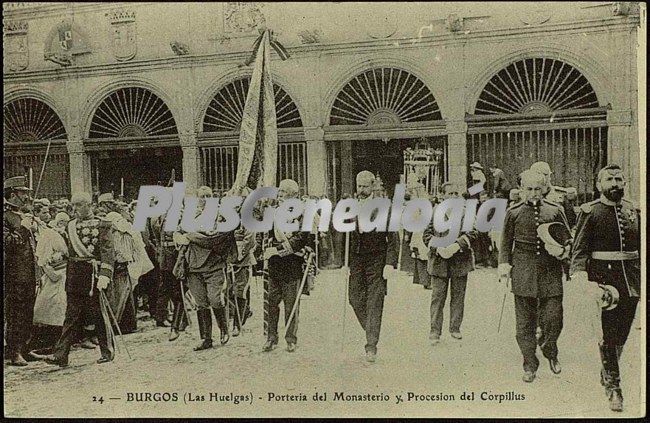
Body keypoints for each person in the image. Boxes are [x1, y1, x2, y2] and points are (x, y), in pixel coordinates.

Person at [570, 164, 640, 412]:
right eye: (609, 179)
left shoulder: (633, 210)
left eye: (618, 179)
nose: (614, 183)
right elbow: (579, 250)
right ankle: (614, 388)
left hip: (632, 281)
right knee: (609, 334)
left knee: (623, 333)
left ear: (624, 183)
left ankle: (608, 370)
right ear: (599, 184)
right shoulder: (591, 212)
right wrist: (580, 276)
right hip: (604, 281)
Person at [498, 170, 571, 383]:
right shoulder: (514, 212)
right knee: (524, 324)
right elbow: (505, 242)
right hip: (523, 270)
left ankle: (550, 350)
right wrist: (504, 266)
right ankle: (529, 364)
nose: (533, 193)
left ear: (544, 189)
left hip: (550, 271)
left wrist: (564, 254)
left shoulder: (555, 211)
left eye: (537, 189)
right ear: (521, 190)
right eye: (529, 189)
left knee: (554, 318)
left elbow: (567, 240)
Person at [44, 192, 116, 367]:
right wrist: (56, 257)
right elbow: (69, 251)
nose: (74, 209)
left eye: (78, 205)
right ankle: (60, 356)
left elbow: (108, 252)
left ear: (88, 205)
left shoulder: (103, 224)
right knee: (71, 316)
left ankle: (107, 351)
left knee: (99, 315)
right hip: (75, 275)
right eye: (73, 206)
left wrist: (105, 275)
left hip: (93, 275)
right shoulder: (70, 225)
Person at [174, 186, 237, 351]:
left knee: (216, 299)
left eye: (209, 196)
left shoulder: (221, 216)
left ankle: (223, 329)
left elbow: (215, 238)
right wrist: (180, 237)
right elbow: (177, 233)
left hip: (214, 265)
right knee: (201, 302)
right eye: (202, 196)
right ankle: (206, 338)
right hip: (193, 267)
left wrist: (189, 236)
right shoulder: (190, 215)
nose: (205, 199)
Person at [348, 171, 399, 362]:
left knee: (375, 301)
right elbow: (343, 234)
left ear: (373, 187)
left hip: (378, 259)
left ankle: (371, 345)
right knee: (354, 298)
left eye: (365, 186)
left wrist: (390, 263)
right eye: (358, 186)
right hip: (356, 259)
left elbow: (394, 238)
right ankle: (371, 327)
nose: (361, 190)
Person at [423, 182, 478, 344]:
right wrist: (438, 248)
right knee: (438, 297)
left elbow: (473, 233)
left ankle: (455, 327)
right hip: (439, 261)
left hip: (460, 261)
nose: (454, 197)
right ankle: (434, 331)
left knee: (458, 296)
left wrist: (456, 246)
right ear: (443, 196)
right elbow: (426, 235)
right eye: (451, 194)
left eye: (457, 194)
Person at [262, 179, 313, 353]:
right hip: (275, 265)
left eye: (284, 192)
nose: (280, 195)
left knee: (291, 304)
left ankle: (291, 339)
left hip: (292, 265)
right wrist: (268, 249)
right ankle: (271, 338)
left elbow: (301, 239)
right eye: (280, 192)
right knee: (272, 303)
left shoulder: (304, 214)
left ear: (293, 195)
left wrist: (276, 250)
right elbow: (268, 236)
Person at [3, 176, 38, 366]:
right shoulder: (5, 217)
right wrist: (24, 229)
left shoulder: (22, 215)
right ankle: (14, 351)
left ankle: (26, 348)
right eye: (23, 192)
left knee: (27, 310)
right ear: (12, 194)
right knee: (16, 312)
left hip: (29, 272)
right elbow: (8, 243)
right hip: (14, 274)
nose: (26, 196)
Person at [29, 212, 70, 357]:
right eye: (63, 222)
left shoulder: (65, 233)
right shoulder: (49, 235)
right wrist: (52, 271)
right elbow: (43, 259)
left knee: (61, 309)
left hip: (65, 274)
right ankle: (47, 344)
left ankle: (59, 345)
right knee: (51, 308)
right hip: (55, 276)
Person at [530, 161, 577, 227]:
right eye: (537, 175)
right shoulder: (528, 196)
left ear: (550, 176)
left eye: (545, 175)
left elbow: (571, 222)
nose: (542, 178)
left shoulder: (562, 195)